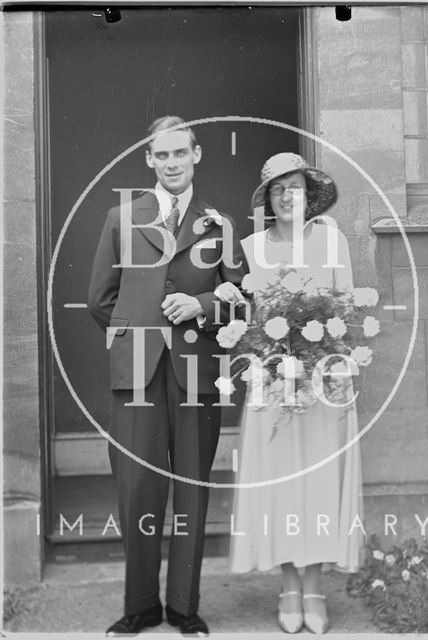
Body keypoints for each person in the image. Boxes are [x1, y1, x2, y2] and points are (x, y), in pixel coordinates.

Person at [88, 115, 248, 637]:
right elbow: (100, 300)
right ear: (150, 160)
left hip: (197, 374)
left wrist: (201, 304)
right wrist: (144, 332)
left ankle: (183, 605)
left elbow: (241, 301)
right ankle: (140, 606)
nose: (173, 163)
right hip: (137, 374)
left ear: (197, 155)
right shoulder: (121, 217)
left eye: (182, 153)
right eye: (163, 155)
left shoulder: (218, 225)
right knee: (137, 490)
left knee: (192, 491)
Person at [227, 153, 364, 634]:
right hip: (272, 384)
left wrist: (338, 362)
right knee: (282, 486)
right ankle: (288, 585)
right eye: (278, 189)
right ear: (267, 199)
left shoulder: (333, 240)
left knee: (321, 485)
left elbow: (345, 304)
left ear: (310, 194)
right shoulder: (250, 247)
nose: (288, 196)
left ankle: (315, 586)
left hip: (323, 383)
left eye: (296, 187)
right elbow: (249, 320)